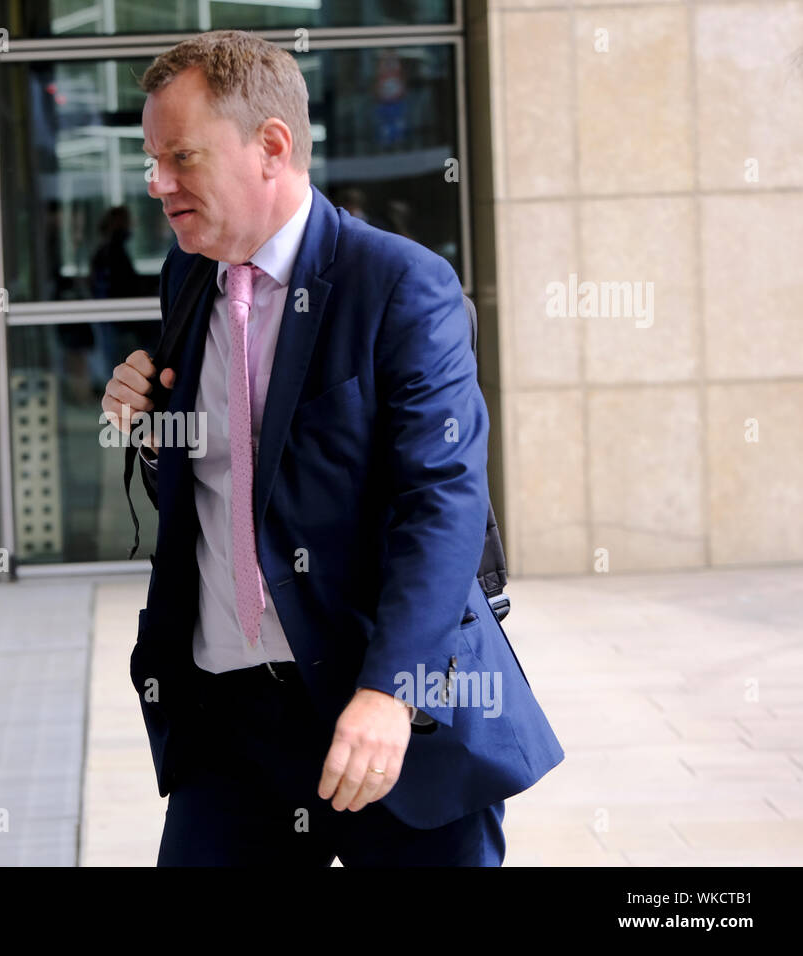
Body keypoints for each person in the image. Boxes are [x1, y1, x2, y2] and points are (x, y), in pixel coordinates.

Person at [101, 30, 564, 866]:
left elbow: (442, 503)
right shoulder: (188, 275)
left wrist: (390, 693)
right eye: (151, 159)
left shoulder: (400, 285)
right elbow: (232, 469)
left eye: (180, 157)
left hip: (385, 716)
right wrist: (149, 419)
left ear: (271, 146)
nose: (156, 183)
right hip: (230, 723)